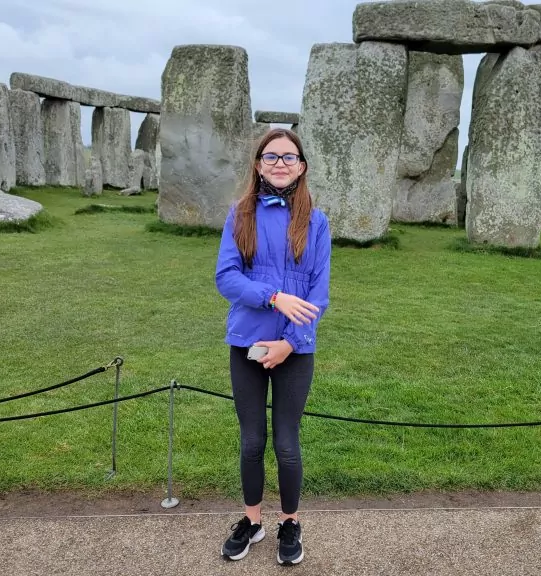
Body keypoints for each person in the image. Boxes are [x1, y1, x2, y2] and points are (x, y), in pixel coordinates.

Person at [214, 128, 331, 565]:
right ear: (258, 164)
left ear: (301, 167)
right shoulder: (239, 214)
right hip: (246, 340)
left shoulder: (316, 222)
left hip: (295, 349)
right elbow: (227, 277)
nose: (280, 163)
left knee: (286, 442)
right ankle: (251, 520)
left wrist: (288, 343)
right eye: (271, 156)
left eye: (289, 157)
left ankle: (290, 522)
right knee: (250, 441)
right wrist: (273, 296)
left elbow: (319, 295)